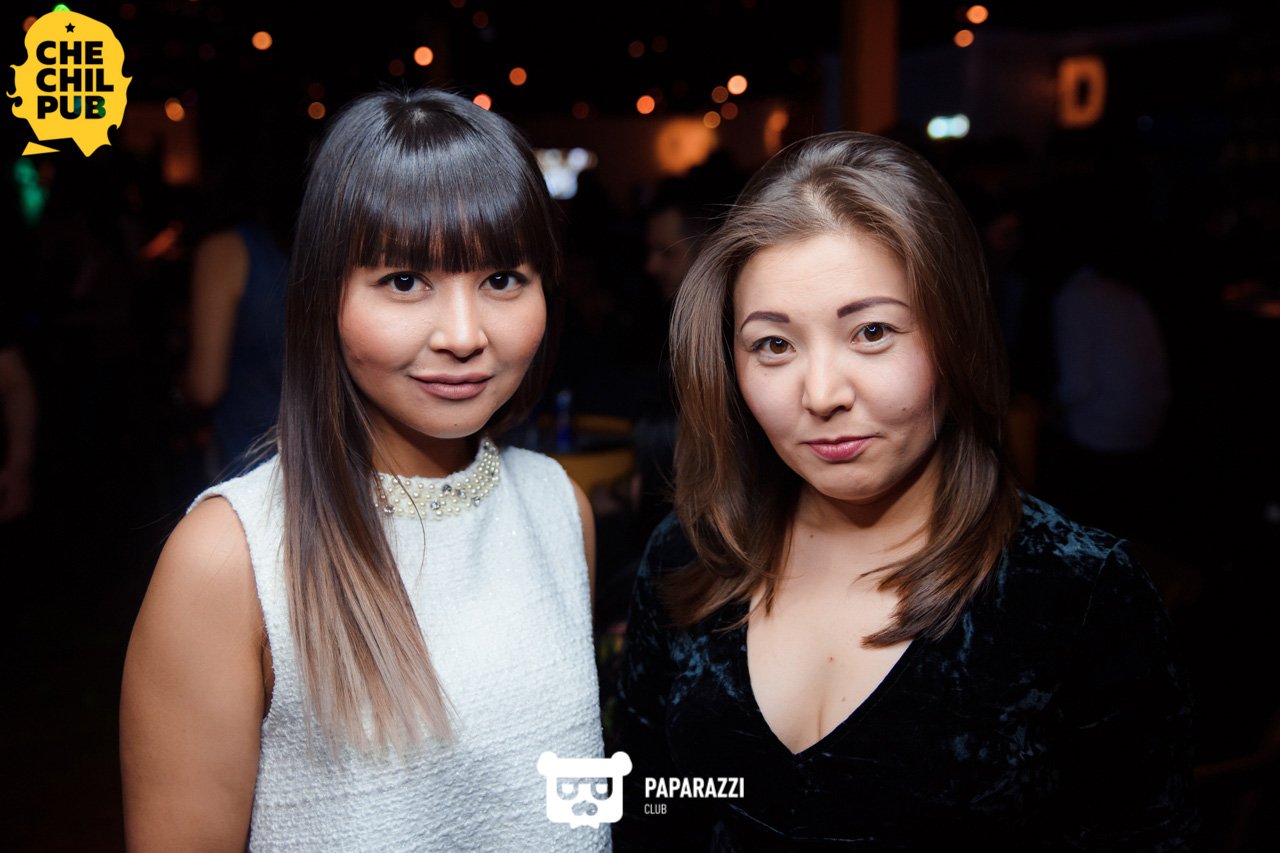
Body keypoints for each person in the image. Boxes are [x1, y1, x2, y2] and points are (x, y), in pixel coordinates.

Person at [614, 132, 1195, 850]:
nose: (821, 394)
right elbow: (647, 814)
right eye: (774, 344)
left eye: (872, 332)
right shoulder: (687, 558)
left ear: (955, 335)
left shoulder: (1079, 594)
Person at [121, 89, 608, 851]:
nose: (463, 334)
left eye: (503, 279)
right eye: (405, 280)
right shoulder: (230, 557)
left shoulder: (557, 505)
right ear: (324, 297)